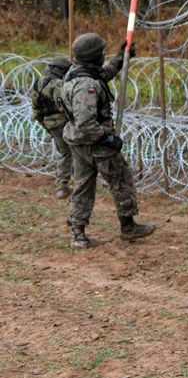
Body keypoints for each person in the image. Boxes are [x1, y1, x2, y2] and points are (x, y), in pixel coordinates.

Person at [60, 33, 157, 248]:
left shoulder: (75, 73)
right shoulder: (86, 86)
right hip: (96, 144)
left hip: (78, 144)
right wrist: (108, 138)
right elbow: (86, 123)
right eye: (101, 53)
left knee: (82, 185)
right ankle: (128, 226)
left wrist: (121, 57)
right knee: (120, 179)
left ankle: (78, 233)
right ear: (93, 56)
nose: (104, 55)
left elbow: (103, 74)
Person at [30, 55, 73, 199]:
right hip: (63, 122)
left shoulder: (38, 83)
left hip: (49, 123)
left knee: (65, 151)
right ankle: (62, 186)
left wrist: (45, 124)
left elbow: (36, 109)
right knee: (69, 152)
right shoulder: (57, 85)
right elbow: (65, 105)